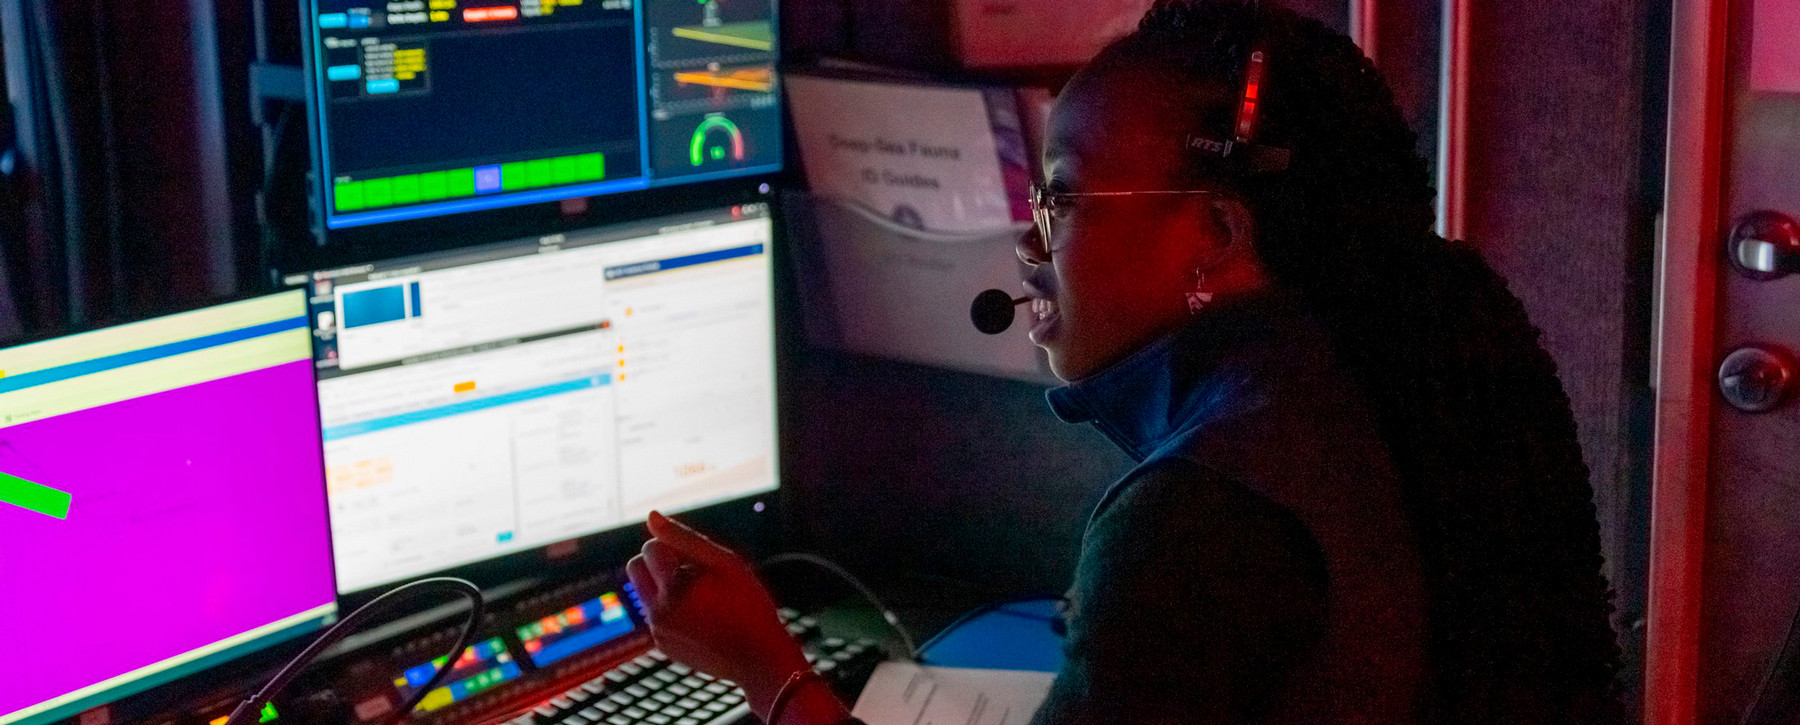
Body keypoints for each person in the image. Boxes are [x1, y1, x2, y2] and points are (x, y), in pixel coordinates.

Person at [626, 1, 1625, 722]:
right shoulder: (1341, 383)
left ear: (1218, 232)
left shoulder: (1203, 513)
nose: (1032, 244)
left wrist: (766, 668)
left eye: (1060, 197)